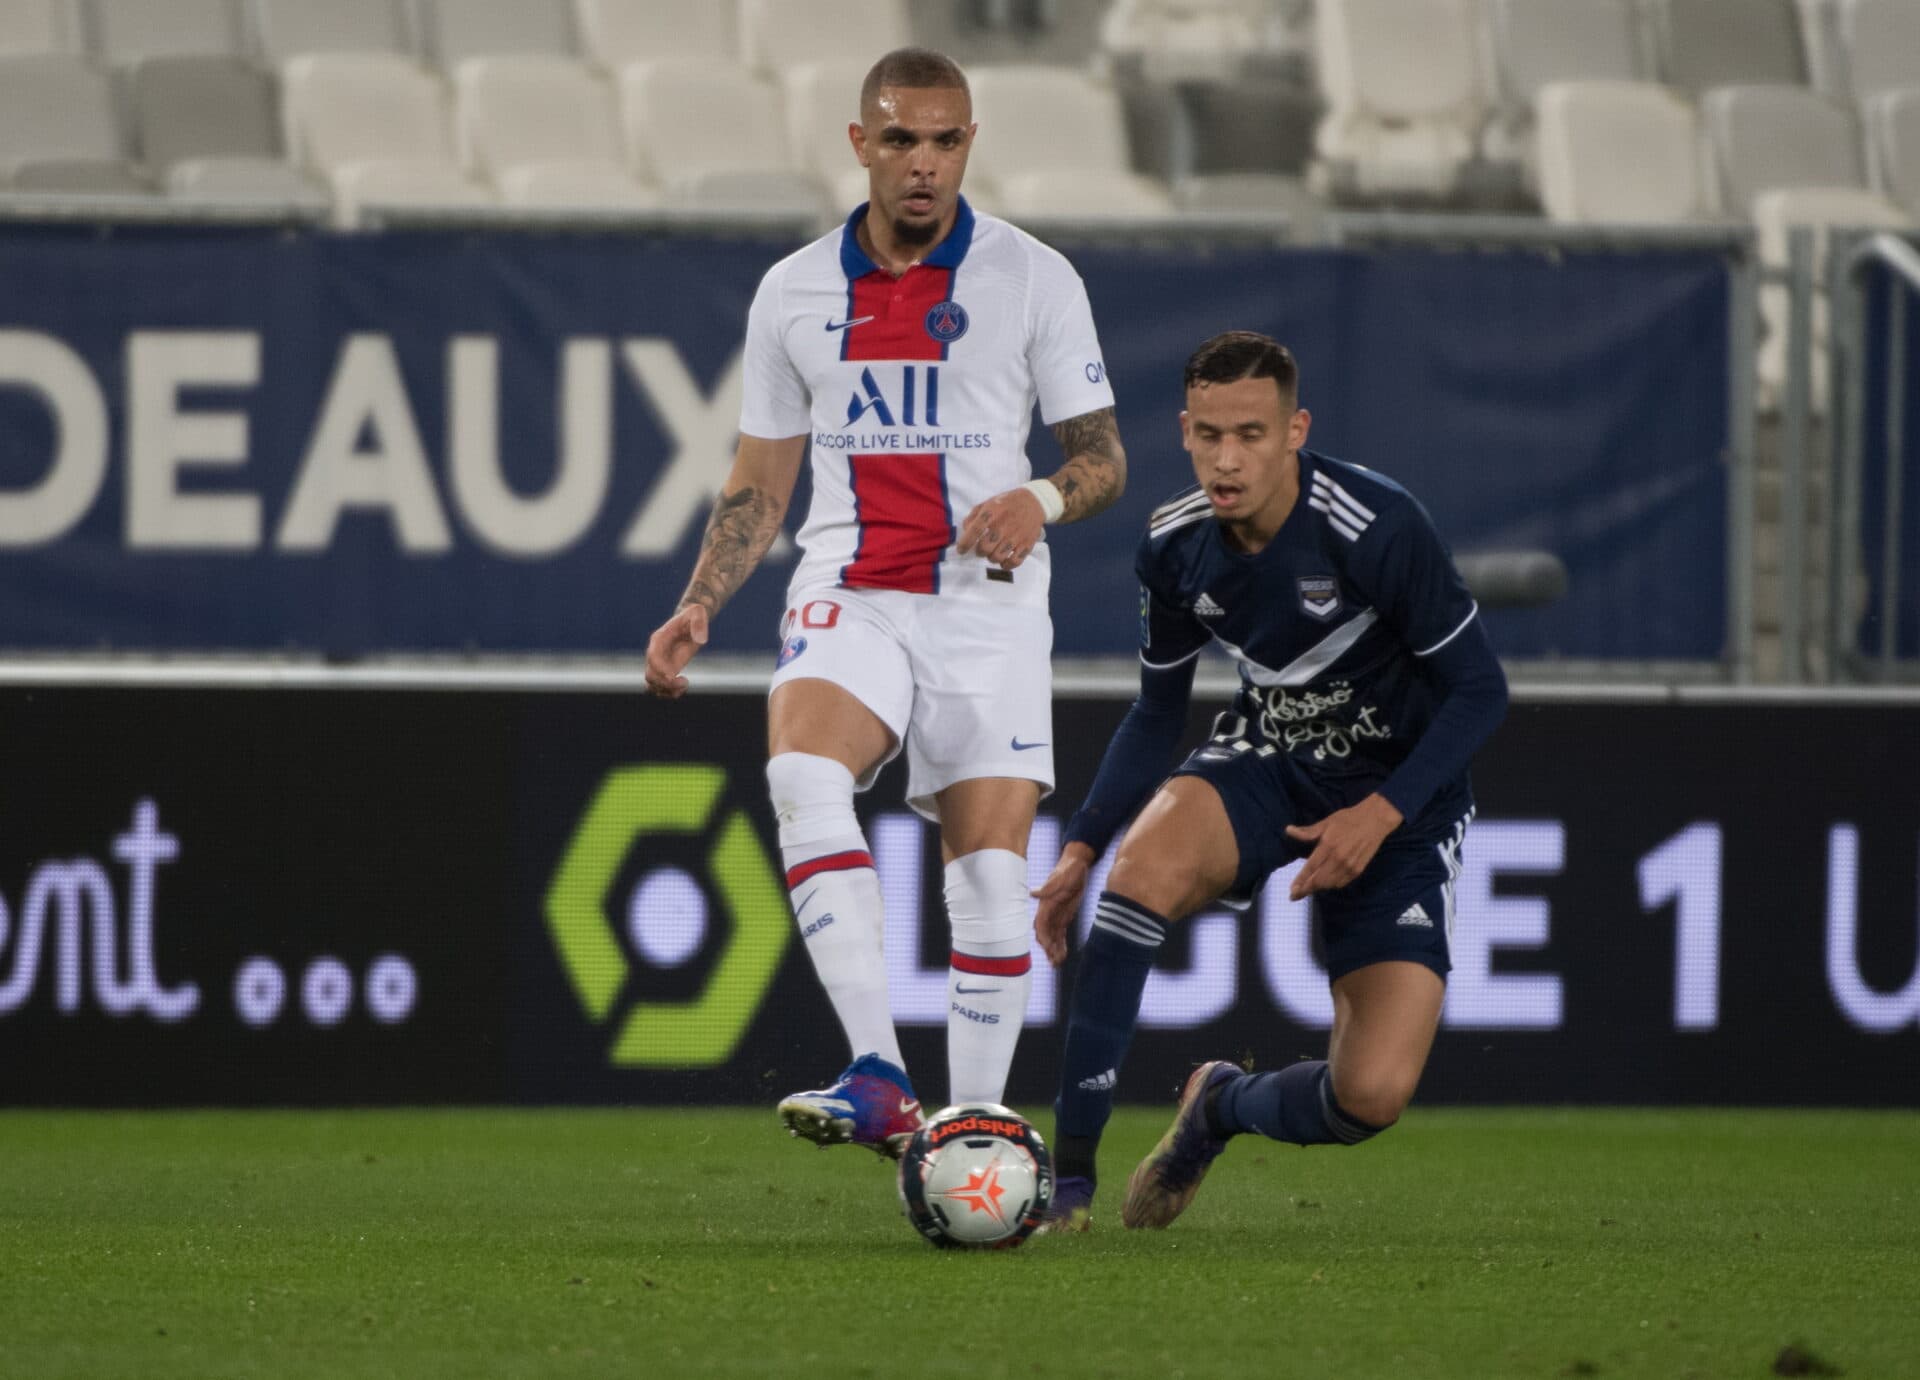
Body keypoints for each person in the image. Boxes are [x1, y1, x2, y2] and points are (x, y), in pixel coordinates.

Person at [643, 48, 1127, 1159]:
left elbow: (1102, 458)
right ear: (860, 144)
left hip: (986, 603)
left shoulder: (1033, 277)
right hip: (850, 585)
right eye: (902, 139)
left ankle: (977, 1132)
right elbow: (761, 481)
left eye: (947, 141)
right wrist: (698, 604)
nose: (925, 164)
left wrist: (1042, 500)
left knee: (992, 882)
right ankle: (880, 1076)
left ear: (969, 146)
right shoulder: (793, 291)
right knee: (803, 773)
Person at [1029, 330, 1507, 1230]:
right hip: (1273, 760)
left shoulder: (1376, 524)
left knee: (1369, 1097)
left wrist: (1382, 813)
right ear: (1182, 430)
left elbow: (1480, 691)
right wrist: (1083, 846)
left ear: (1296, 430)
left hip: (1403, 798)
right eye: (1209, 434)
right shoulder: (1174, 547)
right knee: (1135, 883)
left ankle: (1219, 1105)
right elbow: (1156, 715)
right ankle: (1070, 1187)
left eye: (1250, 433)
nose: (1227, 457)